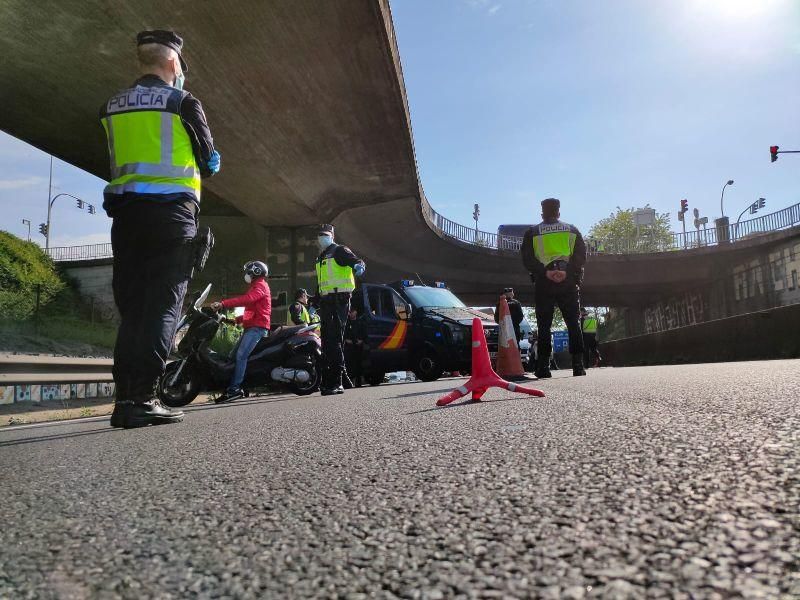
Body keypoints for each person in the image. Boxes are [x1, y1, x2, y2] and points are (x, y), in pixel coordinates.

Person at [103, 30, 220, 428]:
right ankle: (143, 398)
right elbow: (208, 160)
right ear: (173, 63)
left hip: (126, 218)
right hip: (171, 216)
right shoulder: (182, 101)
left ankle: (124, 401)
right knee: (163, 306)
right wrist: (211, 159)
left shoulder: (112, 105)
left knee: (134, 311)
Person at [522, 198, 587, 378]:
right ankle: (578, 366)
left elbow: (527, 259)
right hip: (568, 282)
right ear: (559, 213)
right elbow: (581, 255)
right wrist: (567, 272)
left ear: (542, 214)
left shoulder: (533, 232)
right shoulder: (572, 229)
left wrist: (545, 272)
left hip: (544, 282)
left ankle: (543, 367)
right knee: (573, 323)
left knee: (544, 325)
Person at [313, 224, 366, 395]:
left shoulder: (339, 251)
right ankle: (342, 379)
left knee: (333, 340)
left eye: (325, 234)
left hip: (339, 301)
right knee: (330, 341)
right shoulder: (321, 257)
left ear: (332, 236)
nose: (322, 237)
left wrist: (359, 266)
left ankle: (337, 382)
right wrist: (314, 302)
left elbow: (356, 261)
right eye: (320, 235)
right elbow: (321, 283)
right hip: (326, 303)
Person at [210, 261, 271, 403]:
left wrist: (223, 303)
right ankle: (235, 386)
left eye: (248, 272)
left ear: (255, 272)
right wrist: (231, 321)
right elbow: (250, 311)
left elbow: (247, 300)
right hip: (251, 327)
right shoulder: (255, 286)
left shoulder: (260, 285)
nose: (246, 275)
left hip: (257, 329)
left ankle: (235, 389)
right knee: (233, 356)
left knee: (241, 356)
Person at [343, 307, 367, 388]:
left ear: (356, 312)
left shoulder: (360, 322)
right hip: (349, 347)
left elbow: (364, 333)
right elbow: (343, 334)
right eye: (349, 312)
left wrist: (362, 340)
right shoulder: (346, 323)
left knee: (359, 364)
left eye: (352, 311)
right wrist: (347, 340)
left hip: (358, 346)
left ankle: (358, 382)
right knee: (349, 364)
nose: (351, 313)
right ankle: (349, 382)